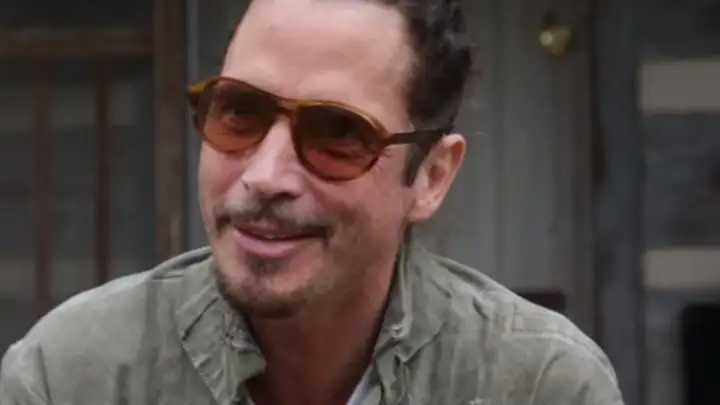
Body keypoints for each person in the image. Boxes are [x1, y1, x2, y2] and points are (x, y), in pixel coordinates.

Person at [0, 0, 624, 404]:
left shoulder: (538, 384)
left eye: (338, 133)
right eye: (240, 112)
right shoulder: (75, 376)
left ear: (431, 176)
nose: (265, 176)